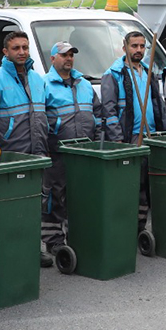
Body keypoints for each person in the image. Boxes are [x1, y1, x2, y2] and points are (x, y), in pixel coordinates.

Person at [41, 41, 102, 259]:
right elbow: (39, 119)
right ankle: (54, 242)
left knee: (79, 197)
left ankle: (77, 237)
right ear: (53, 59)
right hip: (57, 152)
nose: (68, 58)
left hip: (84, 153)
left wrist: (98, 139)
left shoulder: (84, 84)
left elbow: (98, 112)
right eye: (64, 54)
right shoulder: (44, 84)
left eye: (71, 55)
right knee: (55, 197)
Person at [101, 31, 165, 234]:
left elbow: (157, 104)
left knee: (149, 185)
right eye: (134, 46)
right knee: (133, 186)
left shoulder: (148, 72)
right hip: (130, 138)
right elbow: (108, 111)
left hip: (152, 137)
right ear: (124, 47)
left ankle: (141, 228)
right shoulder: (113, 74)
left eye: (142, 46)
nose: (138, 50)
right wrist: (118, 139)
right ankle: (129, 228)